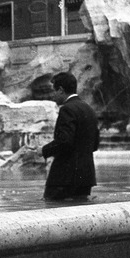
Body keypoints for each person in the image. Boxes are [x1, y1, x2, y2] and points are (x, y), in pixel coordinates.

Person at [40, 72, 100, 201]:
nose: (53, 95)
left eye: (54, 91)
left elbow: (65, 141)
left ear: (61, 90)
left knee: (52, 208)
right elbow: (95, 144)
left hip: (65, 177)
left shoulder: (67, 109)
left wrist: (43, 150)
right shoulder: (89, 109)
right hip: (86, 176)